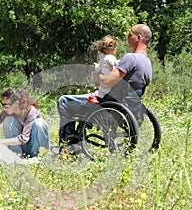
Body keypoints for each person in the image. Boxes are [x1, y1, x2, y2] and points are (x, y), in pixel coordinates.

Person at [57, 24, 153, 153]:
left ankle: (70, 146)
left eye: (130, 35)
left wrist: (98, 74)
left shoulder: (130, 58)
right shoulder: (147, 62)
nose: (127, 38)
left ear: (139, 37)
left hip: (108, 104)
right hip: (130, 107)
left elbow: (107, 82)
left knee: (63, 101)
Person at [0, 87, 50, 158]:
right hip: (23, 148)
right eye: (2, 104)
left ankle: (37, 157)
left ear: (16, 103)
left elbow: (24, 139)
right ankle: (16, 156)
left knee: (39, 123)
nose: (4, 108)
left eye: (7, 105)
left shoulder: (31, 111)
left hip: (34, 145)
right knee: (8, 119)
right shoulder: (7, 111)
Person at [87, 35, 119, 104]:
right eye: (111, 46)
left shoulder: (102, 58)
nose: (114, 48)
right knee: (106, 90)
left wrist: (96, 67)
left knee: (103, 90)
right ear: (105, 49)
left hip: (104, 78)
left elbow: (100, 67)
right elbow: (117, 64)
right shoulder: (110, 57)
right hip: (109, 78)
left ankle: (94, 95)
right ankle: (94, 96)